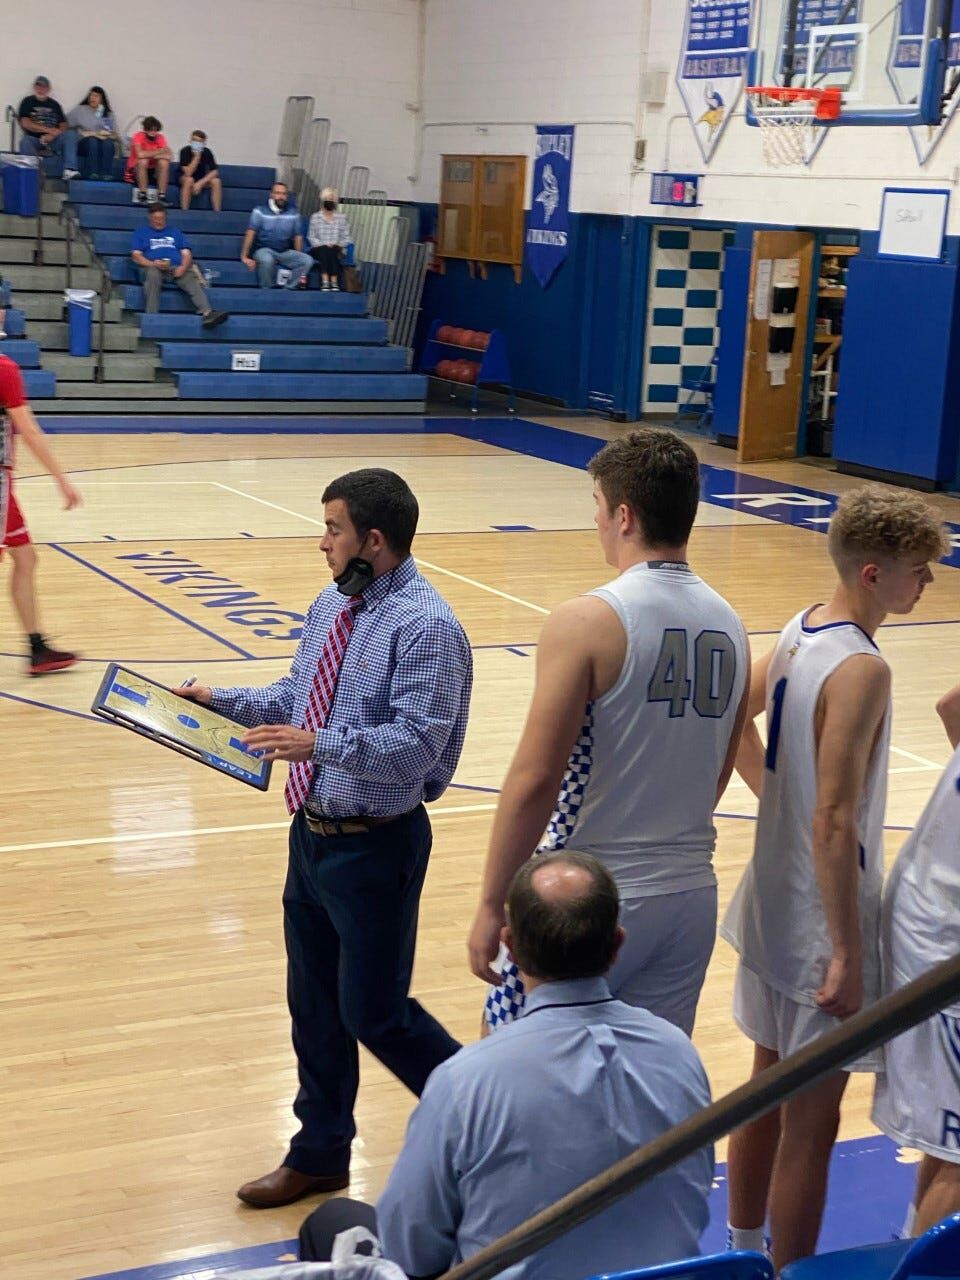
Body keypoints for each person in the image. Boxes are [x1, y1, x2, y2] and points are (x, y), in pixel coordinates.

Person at [176, 468, 473, 1209]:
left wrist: (319, 747)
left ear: (374, 540)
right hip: (310, 837)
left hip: (377, 846)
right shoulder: (332, 604)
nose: (323, 543)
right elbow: (295, 698)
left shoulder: (427, 626)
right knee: (312, 1004)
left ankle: (490, 1122)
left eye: (334, 529)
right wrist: (221, 701)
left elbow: (416, 746)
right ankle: (319, 1154)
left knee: (376, 1011)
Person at [720, 486, 948, 1271]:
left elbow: (735, 719)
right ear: (876, 573)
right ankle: (787, 1272)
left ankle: (743, 1251)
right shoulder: (862, 668)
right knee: (810, 1127)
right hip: (819, 921)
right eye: (922, 570)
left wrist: (772, 796)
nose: (931, 582)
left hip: (768, 905)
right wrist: (850, 952)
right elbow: (835, 822)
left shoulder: (796, 628)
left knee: (761, 1088)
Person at [299, 852, 713, 1280]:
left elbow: (410, 1251)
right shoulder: (678, 1050)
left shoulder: (465, 1079)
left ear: (510, 946)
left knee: (330, 1223)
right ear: (618, 943)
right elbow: (693, 1205)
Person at [468, 428, 749, 1037]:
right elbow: (720, 770)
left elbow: (536, 777)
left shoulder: (589, 619)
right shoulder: (732, 626)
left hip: (591, 897)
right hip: (689, 895)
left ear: (624, 515)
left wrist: (493, 901)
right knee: (647, 1094)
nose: (594, 522)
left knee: (515, 1071)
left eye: (597, 507)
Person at [872, 681, 960, 1238]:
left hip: (923, 907)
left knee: (950, 1130)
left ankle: (910, 1240)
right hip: (945, 943)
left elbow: (950, 703)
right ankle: (922, 1265)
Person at [0, 353, 81, 674]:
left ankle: (37, 647)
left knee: (25, 556)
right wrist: (63, 480)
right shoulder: (4, 368)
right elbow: (28, 430)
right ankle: (36, 647)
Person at [130, 203, 228, 327]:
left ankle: (207, 313)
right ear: (150, 218)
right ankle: (151, 315)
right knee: (152, 274)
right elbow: (136, 256)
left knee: (189, 277)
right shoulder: (141, 232)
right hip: (153, 266)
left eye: (162, 219)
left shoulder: (175, 231)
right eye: (156, 219)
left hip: (174, 266)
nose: (159, 222)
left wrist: (183, 267)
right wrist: (152, 263)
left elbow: (186, 254)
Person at [241, 181, 312, 289]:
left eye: (284, 194)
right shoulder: (259, 211)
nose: (281, 196)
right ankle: (267, 291)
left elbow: (298, 236)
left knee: (307, 260)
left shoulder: (294, 213)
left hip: (285, 251)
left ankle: (289, 289)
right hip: (263, 250)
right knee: (267, 260)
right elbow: (250, 233)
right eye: (278, 193)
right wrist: (244, 256)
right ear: (271, 194)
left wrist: (297, 255)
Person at [18, 76, 78, 178]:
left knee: (71, 134)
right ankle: (31, 173)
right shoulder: (27, 101)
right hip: (34, 138)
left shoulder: (55, 105)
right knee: (25, 141)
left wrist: (52, 135)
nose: (41, 89)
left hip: (54, 140)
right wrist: (48, 130)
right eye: (38, 86)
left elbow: (64, 125)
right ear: (34, 87)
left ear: (48, 89)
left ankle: (70, 169)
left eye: (44, 87)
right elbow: (25, 123)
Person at [67, 87, 118, 182]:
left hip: (103, 142)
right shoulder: (80, 110)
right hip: (84, 142)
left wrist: (105, 135)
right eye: (91, 95)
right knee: (92, 141)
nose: (92, 98)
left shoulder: (107, 114)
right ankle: (92, 173)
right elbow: (65, 124)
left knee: (108, 143)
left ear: (102, 99)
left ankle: (107, 174)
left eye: (96, 96)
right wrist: (94, 134)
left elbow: (114, 135)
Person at [307, 188, 351, 291]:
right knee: (325, 249)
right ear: (323, 200)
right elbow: (311, 236)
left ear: (335, 201)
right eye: (327, 199)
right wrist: (324, 244)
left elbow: (346, 236)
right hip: (318, 248)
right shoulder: (315, 217)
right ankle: (330, 281)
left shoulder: (342, 217)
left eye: (332, 199)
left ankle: (329, 281)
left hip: (336, 247)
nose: (330, 201)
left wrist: (338, 244)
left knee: (332, 250)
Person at [124, 116, 173, 204]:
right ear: (145, 130)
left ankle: (162, 195)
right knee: (143, 161)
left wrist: (149, 154)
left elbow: (169, 156)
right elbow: (140, 154)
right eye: (150, 130)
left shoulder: (160, 137)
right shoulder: (138, 136)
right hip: (137, 170)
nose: (153, 133)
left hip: (153, 171)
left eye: (155, 130)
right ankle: (143, 194)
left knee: (164, 162)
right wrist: (159, 152)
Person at [178, 129, 221, 212]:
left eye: (199, 141)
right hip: (185, 177)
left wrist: (200, 183)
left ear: (204, 143)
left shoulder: (207, 152)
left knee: (216, 181)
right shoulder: (184, 151)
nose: (196, 143)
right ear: (190, 140)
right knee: (189, 180)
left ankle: (217, 212)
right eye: (194, 140)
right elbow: (188, 173)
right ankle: (184, 211)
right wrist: (196, 157)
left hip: (200, 178)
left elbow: (214, 171)